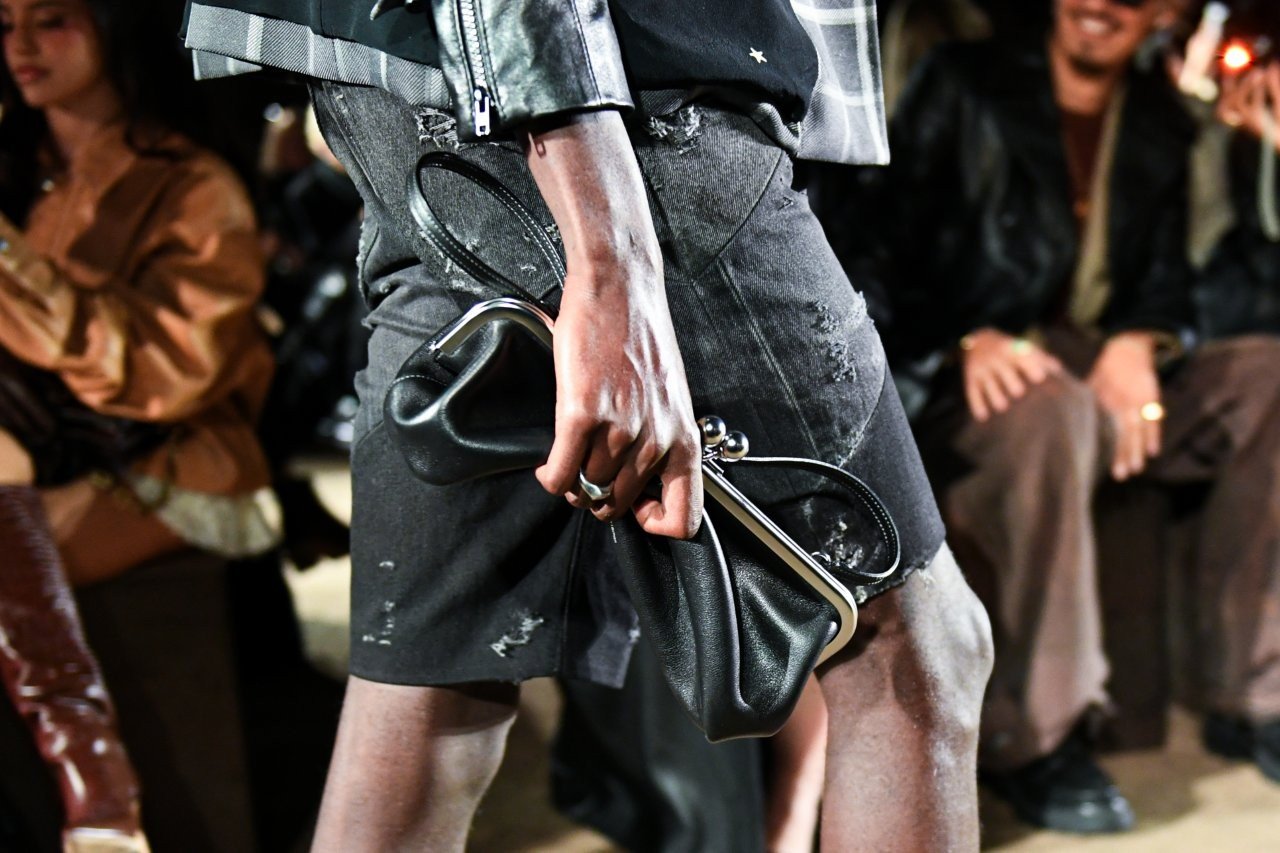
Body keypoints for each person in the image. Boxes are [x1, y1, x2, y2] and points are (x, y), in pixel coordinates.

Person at [182, 1, 994, 849]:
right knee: (914, 652)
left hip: (429, 91)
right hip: (611, 101)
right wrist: (613, 260)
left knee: (431, 694)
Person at [818, 0, 1280, 834]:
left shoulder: (1163, 122)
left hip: (1097, 364)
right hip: (970, 371)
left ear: (1164, 14)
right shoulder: (967, 82)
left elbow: (1172, 280)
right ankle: (1039, 736)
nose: (1103, 4)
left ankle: (1252, 695)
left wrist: (1142, 339)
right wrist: (963, 338)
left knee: (1265, 378)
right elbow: (876, 241)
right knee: (1052, 406)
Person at [0, 0, 276, 848]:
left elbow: (168, 377)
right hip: (35, 457)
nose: (21, 45)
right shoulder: (23, 169)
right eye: (5, 23)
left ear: (114, 26)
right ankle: (96, 790)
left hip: (169, 463)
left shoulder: (191, 184)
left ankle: (103, 796)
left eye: (51, 19)